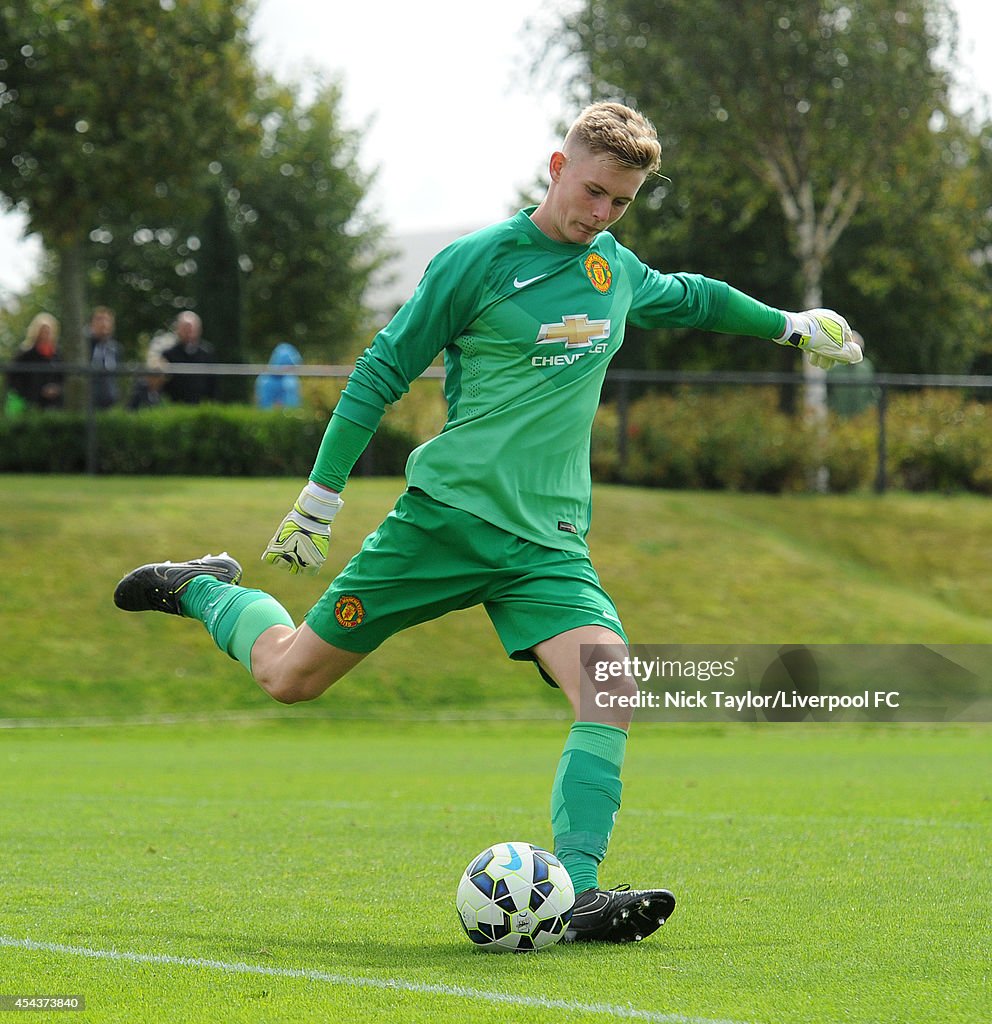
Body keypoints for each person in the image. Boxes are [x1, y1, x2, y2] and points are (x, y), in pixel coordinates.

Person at [114, 102, 862, 943]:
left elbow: (694, 298)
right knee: (291, 677)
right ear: (555, 168)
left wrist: (789, 326)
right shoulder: (476, 263)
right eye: (591, 192)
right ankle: (205, 590)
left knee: (611, 682)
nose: (601, 214)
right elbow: (380, 371)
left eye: (621, 202)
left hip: (547, 546)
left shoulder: (613, 269)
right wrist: (319, 499)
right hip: (444, 524)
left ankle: (577, 895)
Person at [6, 313, 64, 411]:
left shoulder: (57, 355)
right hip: (30, 403)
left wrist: (56, 388)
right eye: (43, 332)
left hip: (54, 404)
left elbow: (62, 378)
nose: (45, 335)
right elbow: (13, 378)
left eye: (48, 332)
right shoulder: (25, 354)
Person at [161, 311, 217, 404]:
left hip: (201, 405)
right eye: (185, 329)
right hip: (175, 405)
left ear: (198, 330)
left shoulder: (207, 353)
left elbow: (213, 383)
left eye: (191, 329)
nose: (189, 332)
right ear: (178, 330)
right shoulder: (168, 355)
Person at [87, 306, 122, 409]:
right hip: (89, 400)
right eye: (99, 319)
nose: (103, 324)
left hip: (109, 399)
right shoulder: (85, 346)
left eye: (107, 320)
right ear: (92, 323)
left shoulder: (115, 348)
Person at [256, 342, 303, 409]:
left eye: (291, 366)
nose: (289, 369)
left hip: (286, 417)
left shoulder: (291, 381)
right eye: (288, 365)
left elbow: (294, 406)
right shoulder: (264, 381)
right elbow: (261, 404)